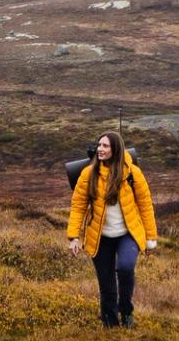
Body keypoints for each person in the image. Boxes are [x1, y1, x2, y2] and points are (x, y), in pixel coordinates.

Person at [61, 132, 162, 329]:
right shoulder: (88, 174)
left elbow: (145, 205)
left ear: (116, 149)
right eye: (99, 145)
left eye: (105, 146)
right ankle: (111, 326)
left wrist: (151, 238)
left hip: (127, 234)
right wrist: (73, 237)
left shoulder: (132, 173)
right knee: (106, 285)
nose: (100, 149)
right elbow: (78, 206)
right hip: (100, 237)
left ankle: (126, 311)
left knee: (125, 268)